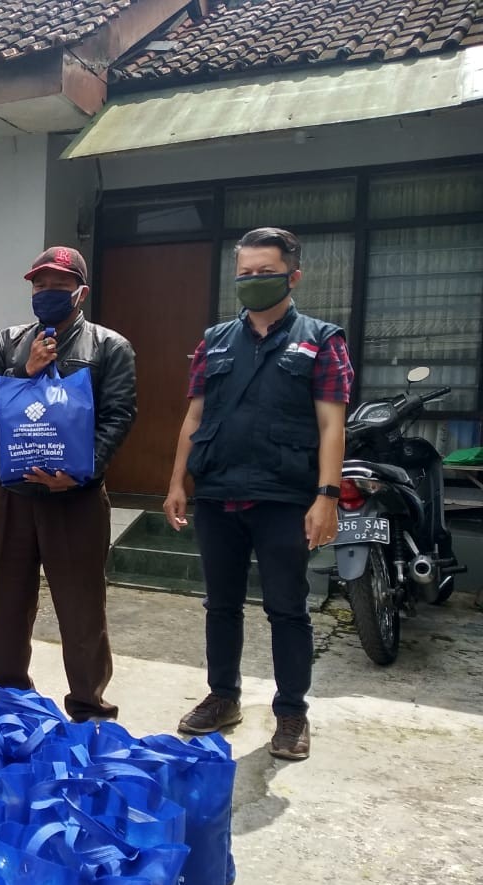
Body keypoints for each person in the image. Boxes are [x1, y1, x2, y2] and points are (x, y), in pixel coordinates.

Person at [163, 227, 351, 761]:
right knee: (220, 605)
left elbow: (332, 425)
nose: (252, 282)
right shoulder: (214, 340)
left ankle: (291, 712)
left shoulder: (322, 340)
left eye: (264, 273)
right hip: (219, 491)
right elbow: (194, 416)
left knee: (287, 608)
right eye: (244, 274)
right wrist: (178, 482)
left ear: (293, 276)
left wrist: (327, 496)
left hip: (284, 497)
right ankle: (223, 696)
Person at [0, 246, 136, 722]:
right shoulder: (8, 341)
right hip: (16, 493)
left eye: (58, 285)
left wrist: (85, 471)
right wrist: (23, 370)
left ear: (80, 292)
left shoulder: (110, 347)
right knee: (8, 601)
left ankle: (89, 704)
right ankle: (7, 698)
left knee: (81, 605)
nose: (46, 292)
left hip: (75, 497)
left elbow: (120, 415)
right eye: (39, 285)